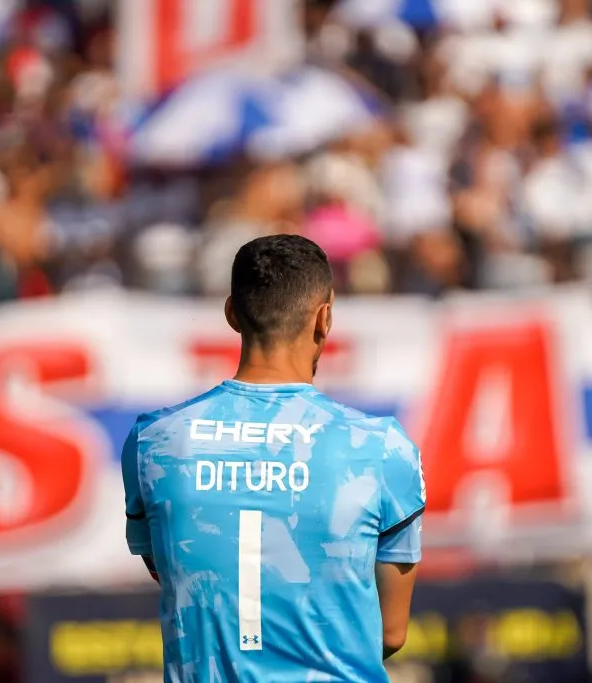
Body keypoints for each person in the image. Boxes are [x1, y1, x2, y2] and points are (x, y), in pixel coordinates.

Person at [121, 235, 426, 681]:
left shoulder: (155, 440)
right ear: (325, 319)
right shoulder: (382, 446)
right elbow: (391, 632)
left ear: (231, 314)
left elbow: (173, 570)